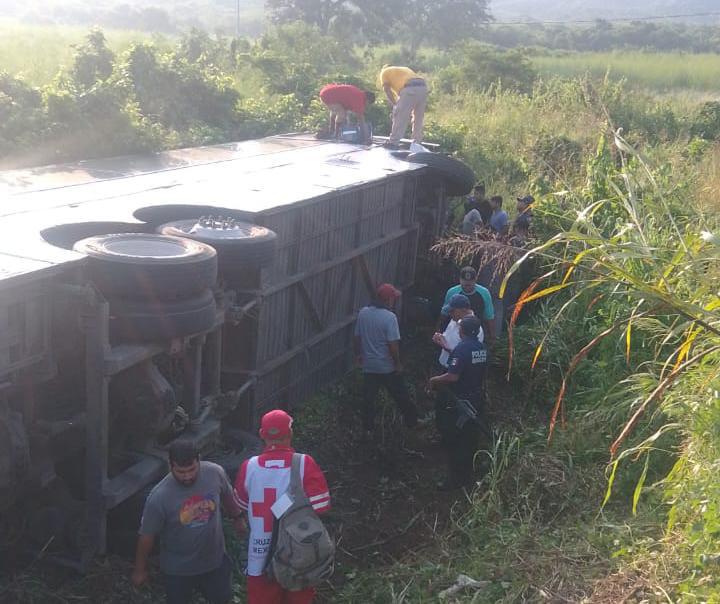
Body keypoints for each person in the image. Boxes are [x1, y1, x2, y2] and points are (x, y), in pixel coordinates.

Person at [235, 409, 331, 604]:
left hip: (260, 558)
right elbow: (322, 507)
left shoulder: (249, 466)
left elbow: (240, 506)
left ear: (262, 435)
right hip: (298, 556)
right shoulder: (304, 464)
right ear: (290, 434)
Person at [132, 441, 245, 604]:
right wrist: (139, 570)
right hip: (178, 571)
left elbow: (227, 496)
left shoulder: (215, 473)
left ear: (198, 460)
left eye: (192, 469)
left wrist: (238, 518)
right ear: (171, 466)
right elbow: (147, 536)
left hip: (214, 562)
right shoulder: (159, 497)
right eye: (181, 471)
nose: (187, 476)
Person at [427, 316, 489, 489]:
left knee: (455, 440)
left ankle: (455, 480)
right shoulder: (482, 348)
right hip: (476, 399)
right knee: (470, 439)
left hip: (460, 401)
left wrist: (434, 380)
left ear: (462, 331)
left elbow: (453, 376)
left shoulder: (462, 349)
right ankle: (469, 474)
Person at [354, 283, 418, 436]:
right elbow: (392, 345)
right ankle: (412, 423)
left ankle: (368, 429)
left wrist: (358, 355)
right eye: (393, 298)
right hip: (387, 366)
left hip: (369, 366)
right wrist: (397, 364)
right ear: (388, 300)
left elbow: (357, 337)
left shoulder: (363, 313)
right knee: (401, 395)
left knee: (368, 399)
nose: (394, 301)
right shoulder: (390, 318)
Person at [438, 266, 495, 344]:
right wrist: (437, 329)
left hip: (476, 331)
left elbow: (489, 317)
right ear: (460, 279)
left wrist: (492, 337)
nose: (467, 284)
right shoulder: (452, 292)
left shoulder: (484, 293)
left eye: (470, 282)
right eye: (465, 281)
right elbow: (444, 314)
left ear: (475, 280)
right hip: (455, 328)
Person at [379, 65, 428, 147]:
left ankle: (393, 142)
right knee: (418, 118)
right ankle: (417, 142)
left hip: (410, 88)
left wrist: (395, 105)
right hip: (423, 87)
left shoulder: (384, 72)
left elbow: (387, 90)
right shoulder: (404, 69)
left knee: (400, 115)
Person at [432, 293, 484, 369]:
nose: (449, 313)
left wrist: (445, 346)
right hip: (443, 364)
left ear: (463, 310)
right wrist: (440, 337)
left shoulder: (476, 329)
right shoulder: (455, 319)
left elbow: (468, 357)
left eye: (452, 311)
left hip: (457, 371)